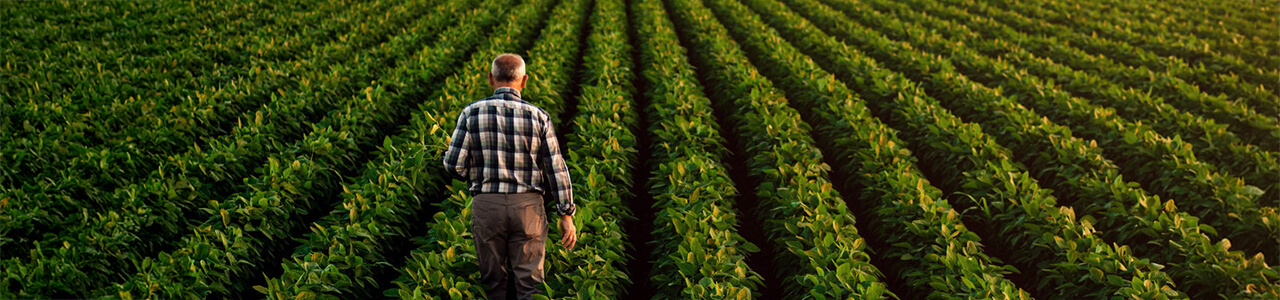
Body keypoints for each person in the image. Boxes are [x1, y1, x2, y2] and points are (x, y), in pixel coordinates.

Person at [442, 53, 577, 300]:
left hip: (487, 204)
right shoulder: (538, 116)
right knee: (531, 285)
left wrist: (474, 172)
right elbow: (556, 168)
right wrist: (565, 214)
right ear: (524, 81)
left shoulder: (471, 113)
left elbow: (453, 165)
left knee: (492, 282)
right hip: (528, 208)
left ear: (490, 79)